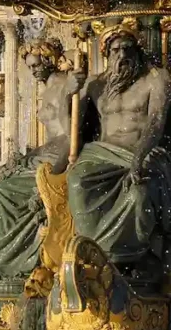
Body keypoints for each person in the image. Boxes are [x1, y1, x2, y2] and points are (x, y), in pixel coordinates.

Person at [67, 23, 171, 278]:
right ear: (107, 54)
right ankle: (92, 253)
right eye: (115, 50)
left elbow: (156, 122)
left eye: (127, 49)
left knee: (140, 193)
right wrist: (68, 91)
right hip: (103, 154)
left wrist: (139, 157)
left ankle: (130, 259)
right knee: (77, 181)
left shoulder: (157, 78)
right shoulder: (95, 85)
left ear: (137, 50)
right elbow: (70, 126)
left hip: (142, 151)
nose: (122, 56)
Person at [0, 39, 80, 280]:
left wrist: (50, 175)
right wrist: (26, 157)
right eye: (30, 67)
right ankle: (4, 261)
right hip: (44, 156)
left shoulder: (66, 86)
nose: (33, 72)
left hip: (57, 159)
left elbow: (70, 137)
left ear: (49, 61)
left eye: (36, 66)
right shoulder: (50, 90)